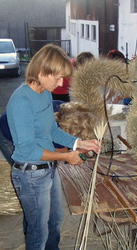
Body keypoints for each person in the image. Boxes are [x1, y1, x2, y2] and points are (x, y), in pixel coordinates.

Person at [6, 44, 101, 250]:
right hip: (30, 174)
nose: (60, 84)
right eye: (57, 77)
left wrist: (78, 142)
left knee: (55, 221)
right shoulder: (22, 101)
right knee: (38, 232)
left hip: (48, 169)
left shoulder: (45, 93)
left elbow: (52, 131)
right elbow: (28, 150)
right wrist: (67, 157)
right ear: (41, 72)